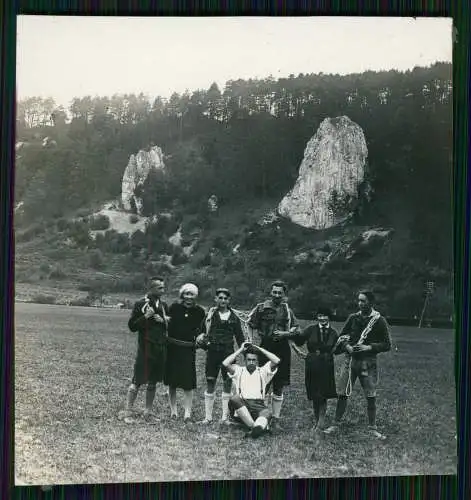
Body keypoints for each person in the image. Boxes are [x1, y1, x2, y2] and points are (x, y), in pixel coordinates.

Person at [324, 290, 392, 439]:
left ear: (371, 303)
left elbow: (387, 344)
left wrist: (370, 347)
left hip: (368, 362)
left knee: (370, 395)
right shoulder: (353, 318)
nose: (360, 304)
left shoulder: (379, 320)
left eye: (364, 301)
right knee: (343, 393)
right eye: (359, 300)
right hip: (350, 360)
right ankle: (336, 423)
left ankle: (372, 428)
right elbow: (342, 336)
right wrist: (347, 346)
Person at [247, 280, 300, 431]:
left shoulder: (287, 310)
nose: (277, 295)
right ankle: (260, 416)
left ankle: (275, 419)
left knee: (279, 384)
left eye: (280, 293)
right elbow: (250, 323)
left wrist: (285, 333)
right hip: (265, 348)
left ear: (284, 294)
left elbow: (296, 329)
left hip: (282, 349)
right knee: (262, 383)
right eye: (274, 292)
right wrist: (250, 342)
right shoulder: (262, 308)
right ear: (270, 293)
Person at [196, 288, 246, 425]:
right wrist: (200, 337)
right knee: (210, 382)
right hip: (212, 353)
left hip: (228, 354)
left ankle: (224, 418)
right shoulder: (210, 315)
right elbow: (200, 331)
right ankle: (208, 417)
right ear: (216, 299)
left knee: (227, 383)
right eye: (220, 298)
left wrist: (246, 351)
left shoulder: (234, 317)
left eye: (226, 298)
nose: (223, 300)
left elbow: (240, 337)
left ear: (229, 300)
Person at [123, 276, 169, 423]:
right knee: (137, 379)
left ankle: (147, 411)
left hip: (160, 348)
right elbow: (132, 326)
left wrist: (164, 322)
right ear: (151, 289)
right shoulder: (140, 304)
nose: (163, 290)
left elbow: (167, 327)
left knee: (153, 381)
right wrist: (146, 316)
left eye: (163, 287)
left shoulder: (164, 305)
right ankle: (128, 410)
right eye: (160, 288)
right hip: (145, 348)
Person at [292, 307, 340, 431]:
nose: (322, 318)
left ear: (329, 317)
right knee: (314, 393)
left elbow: (338, 350)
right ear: (317, 317)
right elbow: (299, 342)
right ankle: (316, 419)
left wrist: (343, 342)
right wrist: (296, 334)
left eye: (325, 316)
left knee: (324, 393)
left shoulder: (334, 332)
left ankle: (321, 422)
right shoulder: (310, 329)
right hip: (312, 364)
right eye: (320, 316)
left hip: (326, 365)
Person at [164, 283, 206, 422]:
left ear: (195, 296)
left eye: (191, 294)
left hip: (188, 350)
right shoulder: (174, 308)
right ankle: (173, 412)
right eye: (186, 294)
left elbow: (203, 330)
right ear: (182, 295)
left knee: (188, 383)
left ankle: (187, 413)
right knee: (172, 382)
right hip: (173, 348)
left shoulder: (200, 311)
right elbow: (166, 325)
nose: (189, 297)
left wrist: (201, 336)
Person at [222, 342, 280, 438]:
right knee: (234, 399)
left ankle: (254, 429)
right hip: (242, 406)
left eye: (254, 360)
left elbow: (276, 360)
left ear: (257, 361)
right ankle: (259, 427)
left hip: (258, 406)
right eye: (249, 360)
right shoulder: (238, 370)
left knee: (267, 413)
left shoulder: (263, 371)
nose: (251, 362)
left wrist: (259, 349)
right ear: (245, 360)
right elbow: (225, 363)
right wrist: (240, 350)